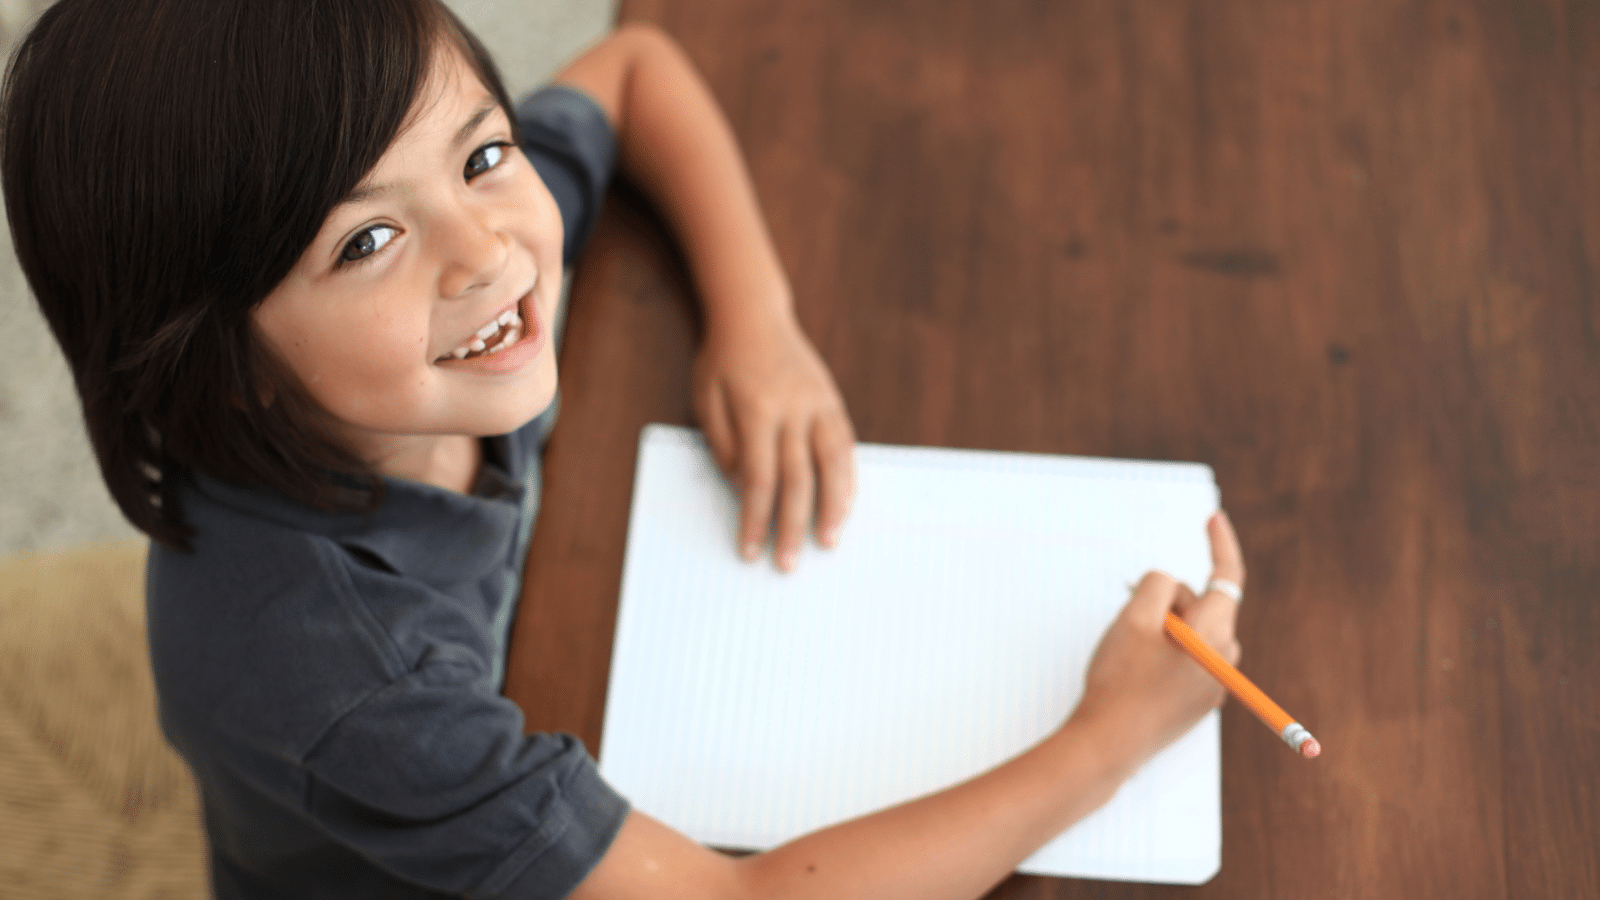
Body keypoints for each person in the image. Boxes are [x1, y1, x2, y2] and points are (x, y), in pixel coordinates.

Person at [0, 1, 1244, 898]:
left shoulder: (448, 310)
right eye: (365, 245)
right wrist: (1105, 746)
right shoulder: (348, 682)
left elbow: (637, 65)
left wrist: (759, 320)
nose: (488, 248)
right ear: (214, 361)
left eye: (484, 154)